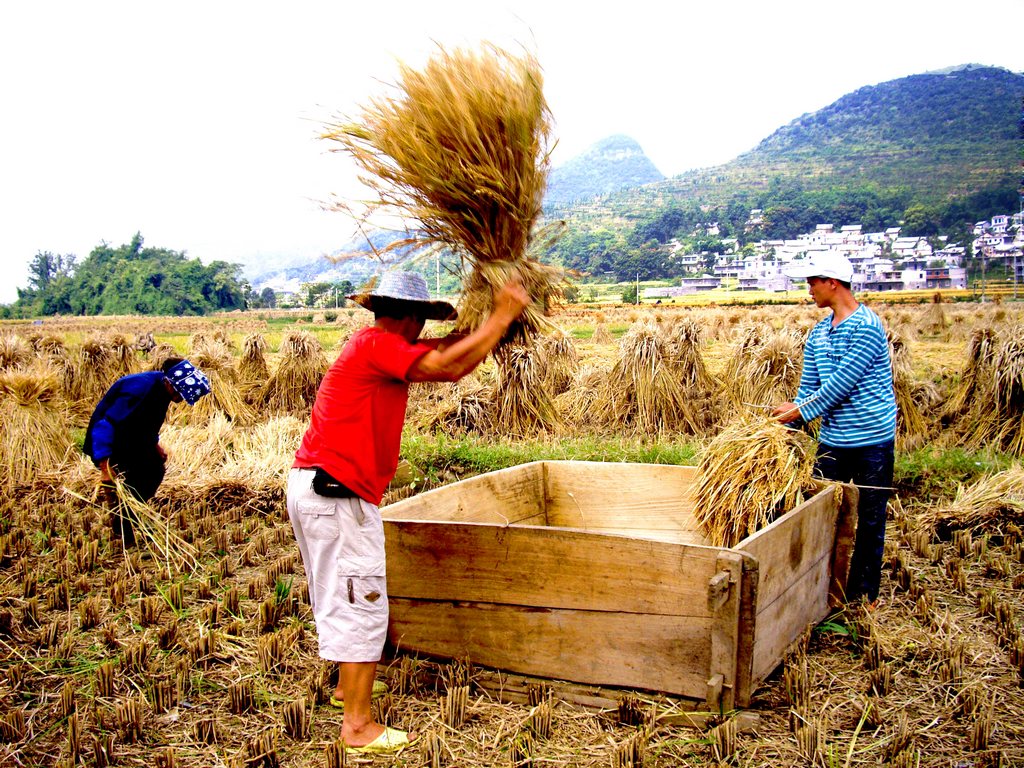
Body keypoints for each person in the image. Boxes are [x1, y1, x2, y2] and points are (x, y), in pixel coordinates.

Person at [287, 270, 529, 754]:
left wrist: (487, 328)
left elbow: (450, 350)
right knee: (361, 598)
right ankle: (357, 728)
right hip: (338, 493)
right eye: (422, 320)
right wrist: (501, 316)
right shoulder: (376, 346)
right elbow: (445, 366)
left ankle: (344, 689)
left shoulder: (372, 344)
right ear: (412, 316)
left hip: (317, 487)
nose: (423, 330)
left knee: (341, 590)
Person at [771, 252, 897, 608]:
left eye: (813, 283)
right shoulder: (818, 335)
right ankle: (821, 588)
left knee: (871, 518)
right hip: (834, 441)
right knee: (818, 513)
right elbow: (809, 389)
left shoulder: (868, 327)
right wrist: (781, 425)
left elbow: (838, 387)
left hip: (872, 441)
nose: (809, 289)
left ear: (833, 283)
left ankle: (864, 596)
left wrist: (799, 410)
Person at [84, 357, 212, 546]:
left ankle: (132, 513)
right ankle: (125, 532)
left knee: (154, 470)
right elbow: (106, 424)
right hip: (111, 442)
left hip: (134, 439)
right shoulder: (138, 391)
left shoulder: (164, 390)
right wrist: (105, 465)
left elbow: (146, 423)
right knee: (131, 481)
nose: (181, 398)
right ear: (170, 382)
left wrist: (155, 445)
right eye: (180, 392)